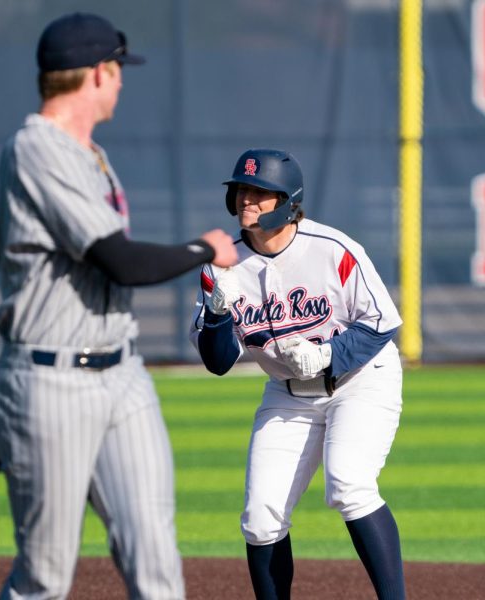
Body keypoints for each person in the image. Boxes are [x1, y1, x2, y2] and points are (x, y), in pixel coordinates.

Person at [0, 12, 237, 600]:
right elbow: (120, 261)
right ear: (97, 71)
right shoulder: (36, 149)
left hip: (121, 374)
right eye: (118, 70)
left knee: (157, 563)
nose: (121, 82)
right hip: (52, 381)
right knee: (44, 578)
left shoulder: (90, 152)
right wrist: (203, 248)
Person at [189, 149, 406, 599]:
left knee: (349, 483)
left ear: (288, 201)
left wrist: (328, 354)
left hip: (361, 380)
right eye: (241, 190)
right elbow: (218, 360)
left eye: (260, 192)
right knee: (260, 518)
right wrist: (216, 313)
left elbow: (383, 321)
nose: (247, 199)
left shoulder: (333, 249)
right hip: (288, 394)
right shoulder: (224, 264)